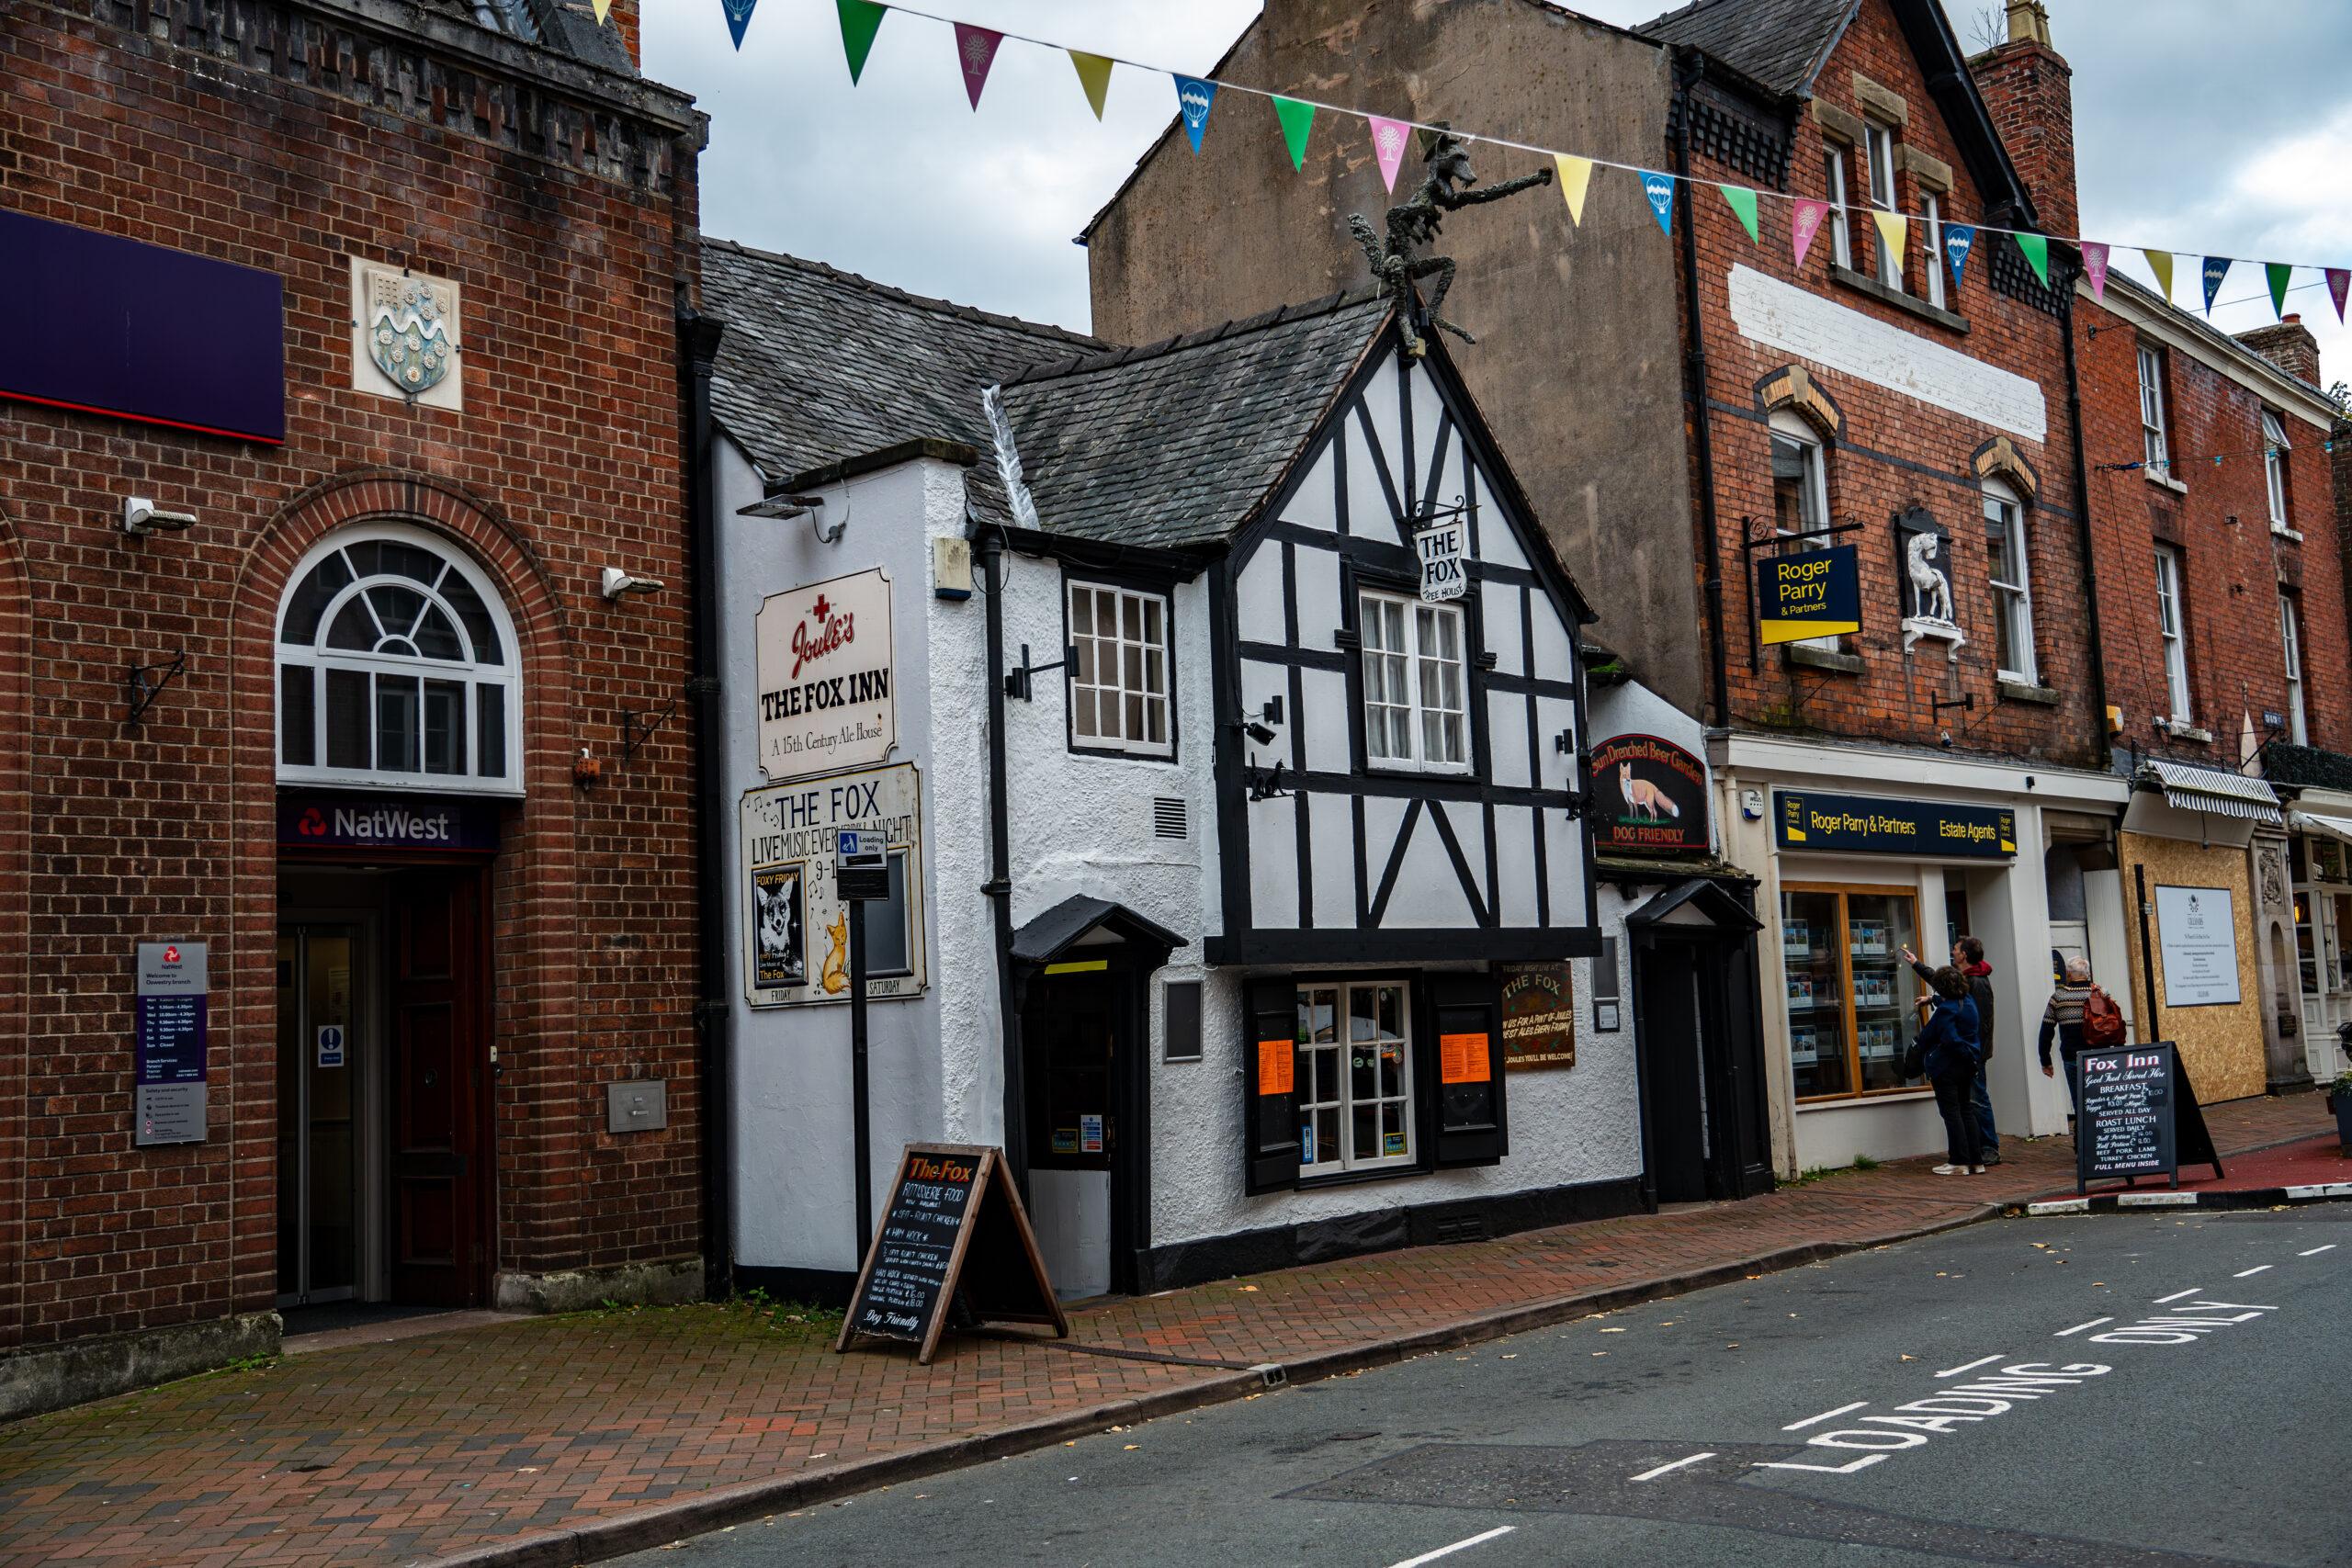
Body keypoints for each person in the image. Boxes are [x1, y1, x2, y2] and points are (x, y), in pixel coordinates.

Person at [1904, 936, 1998, 1164]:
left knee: (1976, 1101)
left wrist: (1973, 1054)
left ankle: (1988, 1148)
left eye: (1955, 949)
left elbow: (1976, 1020)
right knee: (1968, 1104)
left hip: (1971, 1054)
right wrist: (1918, 966)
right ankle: (1974, 1153)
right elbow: (1948, 987)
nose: (1953, 951)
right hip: (1967, 1053)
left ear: (1964, 954)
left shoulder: (1977, 982)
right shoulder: (1966, 979)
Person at [1910, 965, 1984, 1175]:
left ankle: (1959, 1161)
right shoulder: (1968, 1002)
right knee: (1965, 1109)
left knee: (1951, 1113)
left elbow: (1938, 1036)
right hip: (1968, 1064)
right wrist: (1931, 999)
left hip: (1947, 1066)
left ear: (1942, 987)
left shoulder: (1946, 1010)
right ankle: (1976, 1161)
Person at [2039, 955, 2095, 1116]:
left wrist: (2045, 1061)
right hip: (2099, 1057)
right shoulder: (2100, 993)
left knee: (2079, 1100)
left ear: (2069, 974)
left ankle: (2082, 1130)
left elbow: (2046, 1031)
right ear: (2087, 973)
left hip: (2072, 1056)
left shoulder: (2058, 997)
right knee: (2099, 1098)